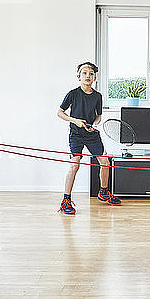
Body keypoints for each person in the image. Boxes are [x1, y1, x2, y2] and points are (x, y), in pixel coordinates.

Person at [57, 62, 121, 214]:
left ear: (95, 78)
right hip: (76, 135)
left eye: (91, 74)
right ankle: (66, 200)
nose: (88, 76)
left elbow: (98, 116)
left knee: (105, 163)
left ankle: (103, 192)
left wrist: (94, 124)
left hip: (92, 135)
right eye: (84, 73)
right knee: (74, 166)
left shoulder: (98, 96)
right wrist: (75, 121)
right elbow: (60, 112)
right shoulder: (73, 94)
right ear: (78, 76)